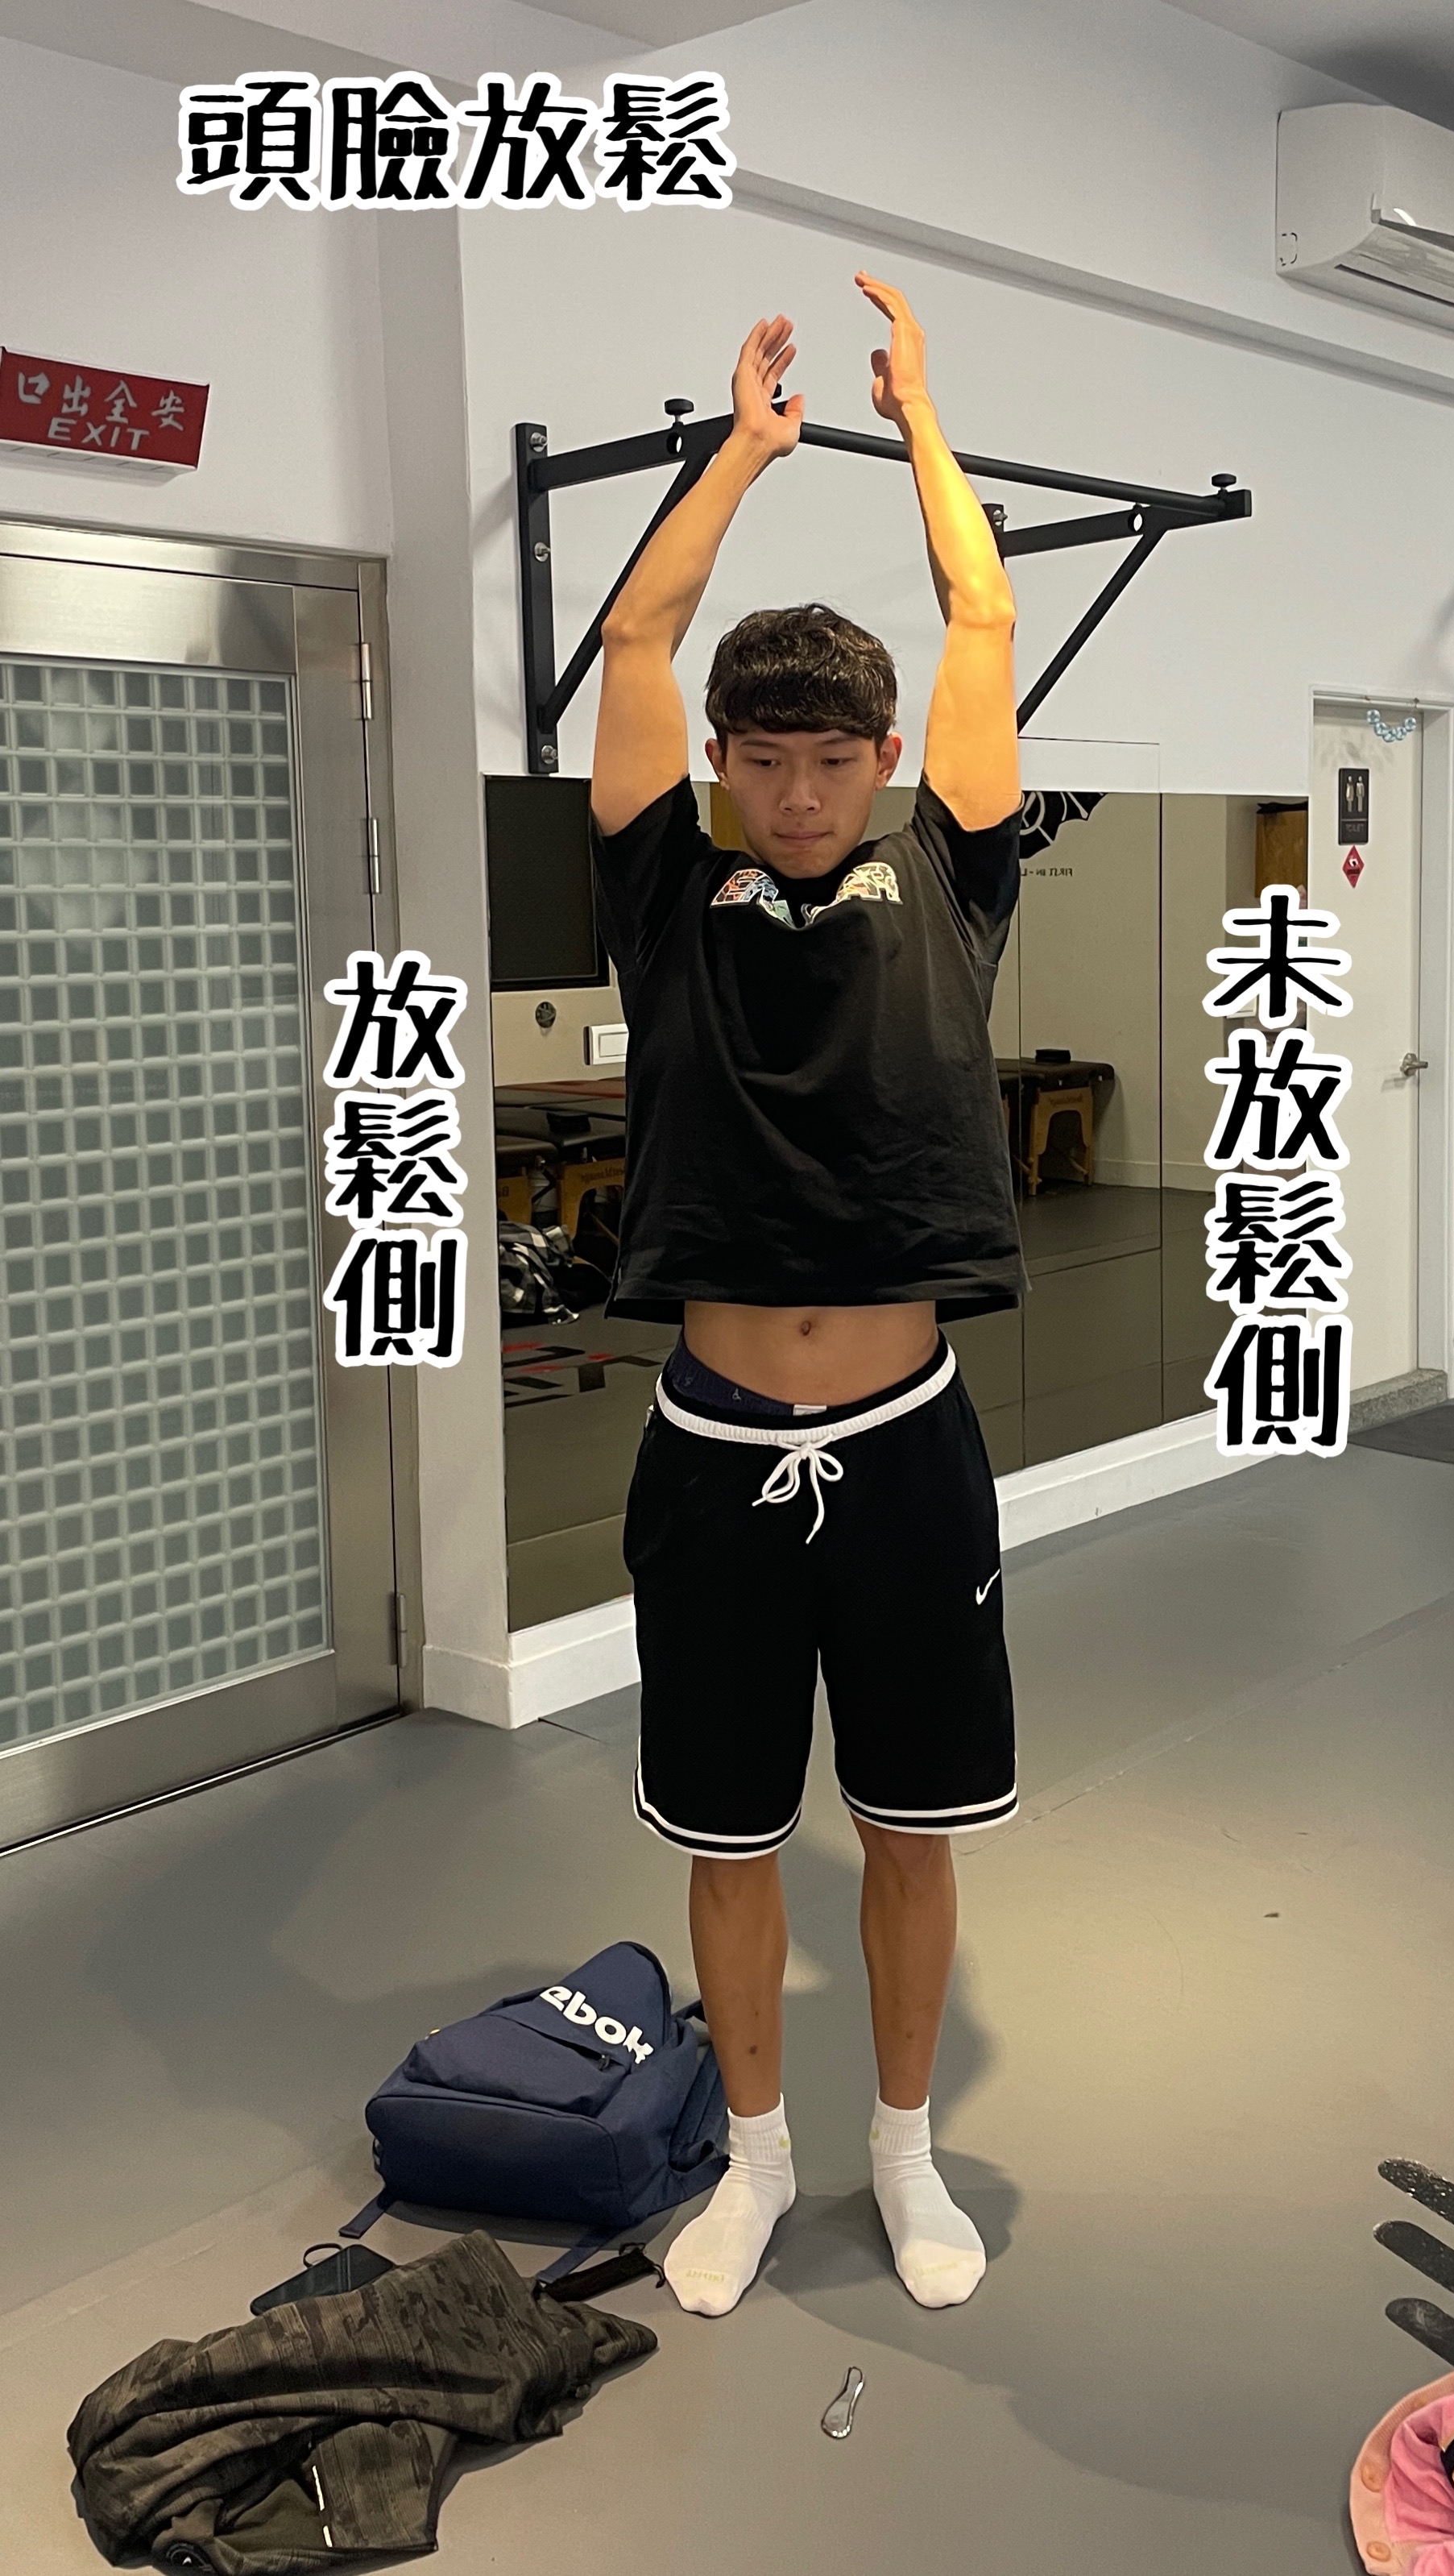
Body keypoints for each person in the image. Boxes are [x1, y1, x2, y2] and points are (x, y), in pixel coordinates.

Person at [590, 273, 1024, 2317]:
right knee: (731, 1836)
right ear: (722, 765)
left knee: (911, 1830)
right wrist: (743, 454)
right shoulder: (663, 896)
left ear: (877, 761)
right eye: (759, 760)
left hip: (903, 1446)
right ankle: (757, 2160)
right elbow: (639, 638)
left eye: (827, 760)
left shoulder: (950, 876)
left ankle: (901, 2155)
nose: (791, 793)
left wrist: (917, 421)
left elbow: (979, 622)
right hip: (709, 1449)